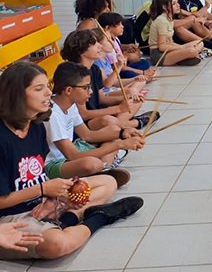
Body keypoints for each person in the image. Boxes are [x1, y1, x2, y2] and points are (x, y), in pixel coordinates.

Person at [0, 62, 143, 260]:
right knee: (57, 244)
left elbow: (37, 173)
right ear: (16, 94)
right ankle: (98, 218)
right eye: (39, 89)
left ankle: (67, 219)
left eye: (47, 87)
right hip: (10, 216)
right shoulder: (3, 138)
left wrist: (51, 198)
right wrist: (43, 190)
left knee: (108, 182)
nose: (48, 93)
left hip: (39, 200)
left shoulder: (36, 126)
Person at [45, 62, 144, 181]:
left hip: (73, 150)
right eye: (86, 88)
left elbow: (87, 135)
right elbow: (73, 155)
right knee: (91, 164)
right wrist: (120, 145)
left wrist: (123, 133)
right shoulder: (53, 114)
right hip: (54, 163)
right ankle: (104, 168)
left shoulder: (71, 105)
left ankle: (105, 169)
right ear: (69, 90)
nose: (90, 91)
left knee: (114, 132)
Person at [61, 30, 150, 130]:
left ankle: (119, 125)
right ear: (82, 51)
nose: (100, 46)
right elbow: (83, 114)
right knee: (107, 120)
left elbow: (102, 99)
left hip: (97, 112)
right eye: (94, 44)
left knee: (135, 101)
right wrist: (117, 109)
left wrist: (126, 99)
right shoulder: (74, 75)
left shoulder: (95, 69)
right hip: (83, 124)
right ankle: (134, 123)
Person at [149, 0, 204, 66]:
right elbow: (162, 47)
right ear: (165, 7)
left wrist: (182, 47)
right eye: (174, 4)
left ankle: (180, 58)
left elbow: (170, 42)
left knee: (199, 43)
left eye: (177, 2)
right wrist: (181, 48)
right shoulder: (162, 21)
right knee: (192, 51)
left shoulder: (169, 19)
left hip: (168, 51)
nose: (178, 5)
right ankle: (181, 58)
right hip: (159, 55)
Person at [98, 13, 152, 80]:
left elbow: (118, 46)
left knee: (144, 62)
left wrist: (127, 47)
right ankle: (140, 77)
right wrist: (143, 72)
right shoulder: (107, 47)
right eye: (119, 24)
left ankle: (141, 76)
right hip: (118, 71)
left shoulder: (115, 38)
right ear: (108, 28)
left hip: (123, 65)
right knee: (128, 73)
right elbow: (118, 67)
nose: (122, 26)